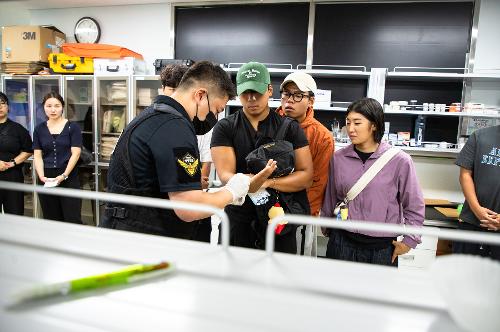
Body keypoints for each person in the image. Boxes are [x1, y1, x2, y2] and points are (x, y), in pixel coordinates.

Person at [100, 61, 263, 240]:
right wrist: (231, 191)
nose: (214, 118)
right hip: (141, 237)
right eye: (216, 110)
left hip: (128, 229)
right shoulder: (174, 127)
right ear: (200, 95)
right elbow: (189, 207)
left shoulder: (153, 116)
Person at [211, 62, 313, 253]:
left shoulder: (290, 128)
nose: (251, 98)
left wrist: (266, 183)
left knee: (278, 278)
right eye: (245, 92)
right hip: (238, 218)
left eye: (257, 92)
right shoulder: (225, 127)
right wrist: (254, 182)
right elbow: (226, 175)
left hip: (277, 218)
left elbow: (306, 176)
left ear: (269, 90)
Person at [321, 98, 424, 266]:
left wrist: (409, 241)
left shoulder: (399, 160)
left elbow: (414, 205)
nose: (350, 129)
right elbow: (331, 199)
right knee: (336, 291)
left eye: (357, 123)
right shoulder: (338, 158)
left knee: (376, 293)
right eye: (348, 123)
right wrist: (327, 229)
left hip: (381, 247)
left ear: (374, 125)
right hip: (342, 241)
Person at [276, 72, 334, 255]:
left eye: (298, 95)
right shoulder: (267, 122)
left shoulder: (322, 137)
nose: (289, 100)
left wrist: (296, 215)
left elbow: (317, 183)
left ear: (311, 101)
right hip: (264, 210)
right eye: (286, 93)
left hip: (299, 215)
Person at [160, 63, 213, 242]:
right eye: (171, 89)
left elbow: (206, 160)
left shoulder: (199, 122)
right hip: (171, 211)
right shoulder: (159, 123)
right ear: (162, 89)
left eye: (179, 88)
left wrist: (194, 182)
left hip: (193, 202)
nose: (176, 95)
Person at [33, 92, 82, 223]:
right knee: (51, 218)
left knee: (72, 217)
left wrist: (64, 175)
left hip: (68, 176)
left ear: (62, 107)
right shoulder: (39, 129)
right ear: (43, 107)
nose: (53, 109)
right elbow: (37, 156)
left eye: (57, 106)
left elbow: (76, 153)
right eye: (49, 106)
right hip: (46, 177)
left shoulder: (73, 127)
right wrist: (42, 176)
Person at [454, 125, 500, 259]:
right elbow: (465, 175)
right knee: (464, 277)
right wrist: (477, 210)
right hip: (472, 224)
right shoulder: (479, 136)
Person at [0, 92, 33, 215]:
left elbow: (29, 149)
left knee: (14, 214)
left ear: (8, 107)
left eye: (2, 104)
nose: (0, 107)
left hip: (12, 176)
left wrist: (12, 163)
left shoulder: (18, 129)